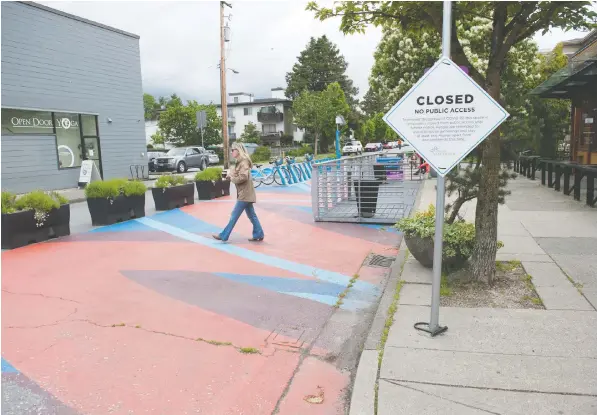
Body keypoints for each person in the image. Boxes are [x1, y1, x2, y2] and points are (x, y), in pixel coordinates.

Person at [213, 143, 264, 242]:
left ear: (238, 150)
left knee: (234, 215)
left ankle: (224, 235)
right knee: (252, 215)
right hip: (246, 193)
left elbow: (243, 177)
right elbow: (238, 174)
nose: (231, 151)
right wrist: (230, 175)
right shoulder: (239, 162)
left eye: (233, 150)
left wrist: (232, 178)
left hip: (245, 194)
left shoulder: (243, 162)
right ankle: (259, 233)